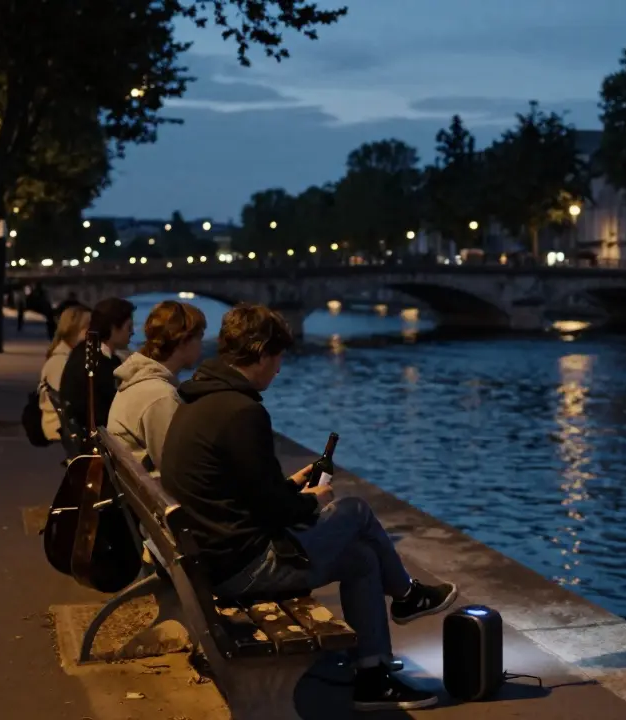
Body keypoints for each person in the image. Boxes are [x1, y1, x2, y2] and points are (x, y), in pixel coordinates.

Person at [160, 303, 456, 712]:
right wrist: (309, 501)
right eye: (278, 357)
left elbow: (246, 492)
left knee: (361, 557)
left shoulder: (199, 399)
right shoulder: (241, 412)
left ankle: (373, 674)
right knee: (353, 511)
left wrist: (290, 487)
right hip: (239, 568)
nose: (279, 369)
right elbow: (275, 512)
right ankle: (405, 594)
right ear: (261, 352)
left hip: (211, 554)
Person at [107, 300, 206, 473]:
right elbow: (175, 467)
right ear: (183, 341)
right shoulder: (160, 396)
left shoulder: (138, 380)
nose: (201, 346)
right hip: (159, 495)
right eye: (199, 337)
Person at [59, 297, 134, 432]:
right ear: (113, 328)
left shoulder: (83, 351)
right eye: (129, 327)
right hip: (98, 438)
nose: (132, 332)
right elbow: (104, 413)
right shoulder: (98, 364)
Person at [39, 305, 91, 442]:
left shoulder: (66, 357)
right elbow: (70, 404)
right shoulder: (60, 362)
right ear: (73, 330)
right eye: (88, 327)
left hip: (65, 425)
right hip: (59, 428)